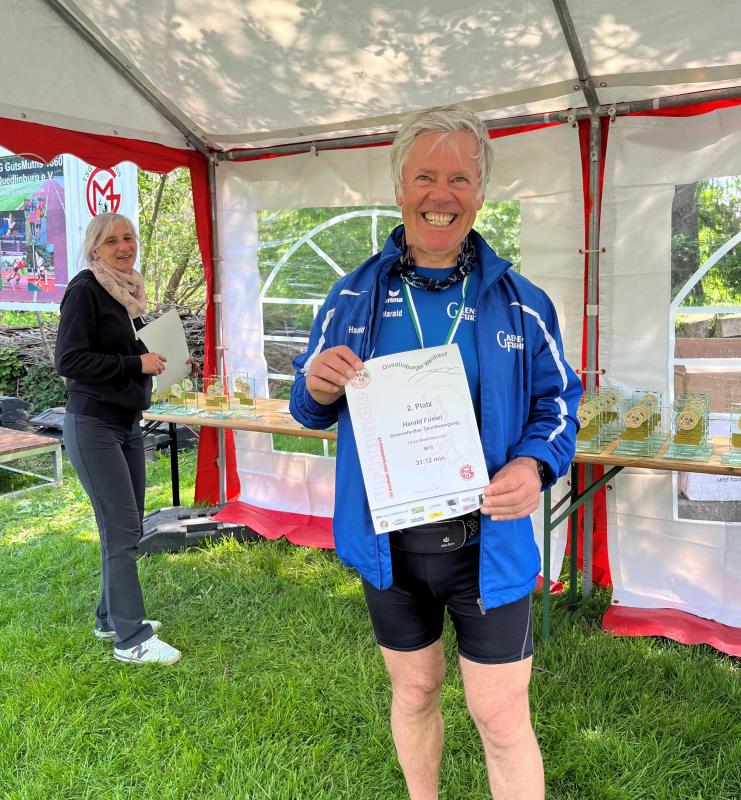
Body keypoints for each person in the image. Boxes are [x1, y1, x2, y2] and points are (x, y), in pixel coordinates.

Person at [290, 105, 582, 799]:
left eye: (459, 178)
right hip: (389, 546)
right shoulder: (352, 296)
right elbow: (308, 406)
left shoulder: (523, 302)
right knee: (416, 690)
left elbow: (560, 404)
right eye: (424, 176)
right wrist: (315, 383)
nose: (440, 194)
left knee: (500, 717)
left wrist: (532, 464)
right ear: (399, 188)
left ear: (480, 193)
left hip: (488, 545)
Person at [55, 212, 182, 666]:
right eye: (112, 241)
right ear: (95, 250)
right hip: (93, 425)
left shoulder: (127, 293)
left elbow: (128, 352)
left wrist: (160, 361)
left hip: (127, 423)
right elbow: (69, 360)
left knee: (127, 526)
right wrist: (135, 365)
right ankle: (131, 639)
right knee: (122, 530)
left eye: (129, 238)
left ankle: (109, 618)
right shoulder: (85, 290)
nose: (125, 247)